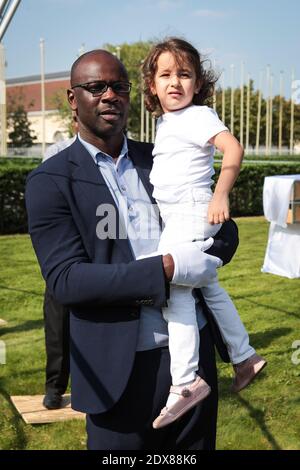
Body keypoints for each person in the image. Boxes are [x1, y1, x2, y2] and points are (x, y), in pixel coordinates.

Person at [26, 49, 239, 450]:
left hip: (192, 364)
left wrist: (214, 247)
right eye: (95, 87)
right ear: (74, 99)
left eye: (118, 87)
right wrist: (168, 268)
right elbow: (66, 280)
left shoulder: (159, 156)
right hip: (116, 371)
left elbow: (220, 224)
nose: (110, 96)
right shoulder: (50, 181)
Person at [141, 38, 267, 429]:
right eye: (165, 74)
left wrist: (220, 194)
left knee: (171, 288)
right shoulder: (168, 123)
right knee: (207, 285)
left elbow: (233, 148)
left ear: (198, 83)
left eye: (185, 74)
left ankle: (185, 382)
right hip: (180, 217)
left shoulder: (197, 116)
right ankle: (245, 357)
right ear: (152, 85)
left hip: (194, 212)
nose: (175, 82)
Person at [41, 116, 79, 410]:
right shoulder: (57, 152)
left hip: (99, 251)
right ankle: (55, 386)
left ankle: (88, 386)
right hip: (64, 251)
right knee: (58, 327)